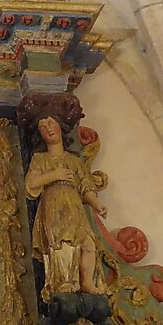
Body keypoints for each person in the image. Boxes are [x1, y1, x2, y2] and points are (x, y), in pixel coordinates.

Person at [24, 115, 107, 297]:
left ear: (61, 127)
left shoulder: (74, 161)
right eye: (43, 127)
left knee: (88, 243)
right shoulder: (40, 159)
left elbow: (85, 185)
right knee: (63, 242)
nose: (48, 128)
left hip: (74, 205)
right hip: (54, 205)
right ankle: (63, 282)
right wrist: (55, 175)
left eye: (51, 124)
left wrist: (96, 203)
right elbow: (31, 184)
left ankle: (86, 283)